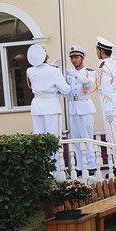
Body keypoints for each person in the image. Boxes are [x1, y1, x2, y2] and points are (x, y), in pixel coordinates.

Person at [26, 45, 70, 177]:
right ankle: (55, 174)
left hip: (37, 106)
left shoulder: (29, 71)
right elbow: (66, 90)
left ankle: (43, 173)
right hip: (51, 106)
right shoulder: (54, 71)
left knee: (40, 141)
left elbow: (39, 74)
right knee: (53, 141)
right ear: (45, 56)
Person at [95, 36, 116, 173]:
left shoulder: (103, 66)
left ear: (101, 51)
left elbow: (105, 88)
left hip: (111, 104)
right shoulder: (114, 63)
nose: (96, 53)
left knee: (114, 135)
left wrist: (108, 110)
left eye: (97, 50)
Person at [65, 45, 97, 176]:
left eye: (76, 57)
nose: (74, 60)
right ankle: (79, 166)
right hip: (72, 107)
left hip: (85, 107)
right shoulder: (69, 74)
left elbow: (90, 84)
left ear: (82, 58)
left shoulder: (89, 72)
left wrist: (75, 74)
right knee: (76, 139)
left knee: (87, 138)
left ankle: (91, 165)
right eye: (72, 58)